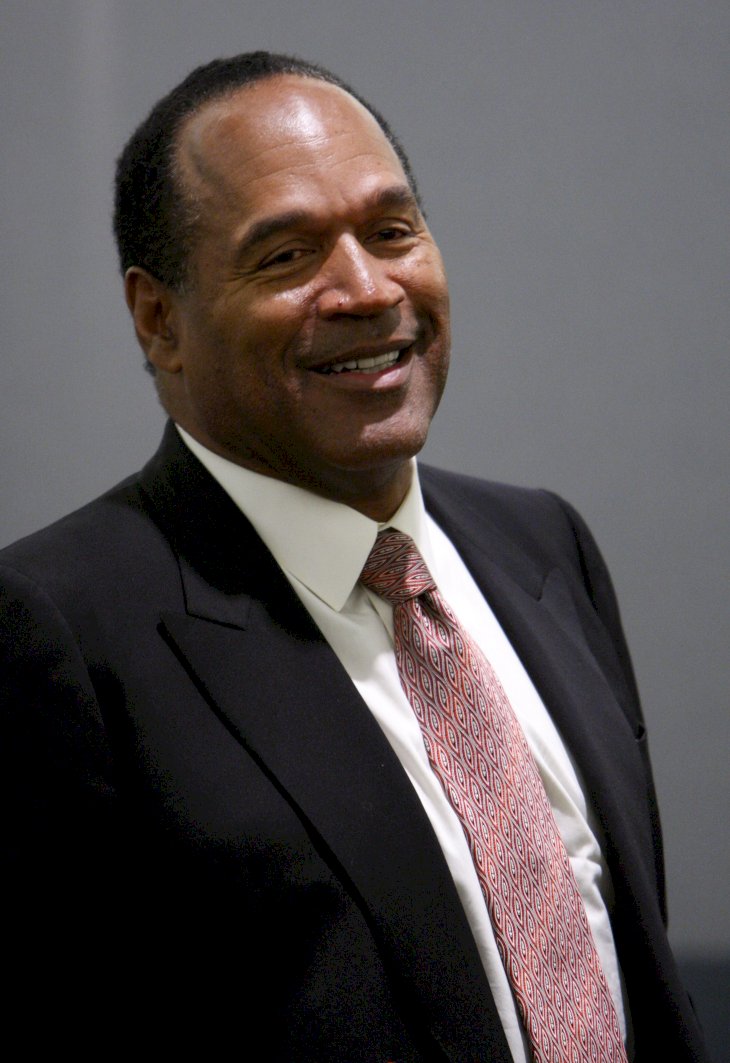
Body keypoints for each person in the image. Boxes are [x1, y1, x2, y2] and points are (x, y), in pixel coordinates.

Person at [0, 52, 708, 1062]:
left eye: (391, 232)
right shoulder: (53, 631)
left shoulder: (545, 548)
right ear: (160, 319)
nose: (368, 290)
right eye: (286, 256)